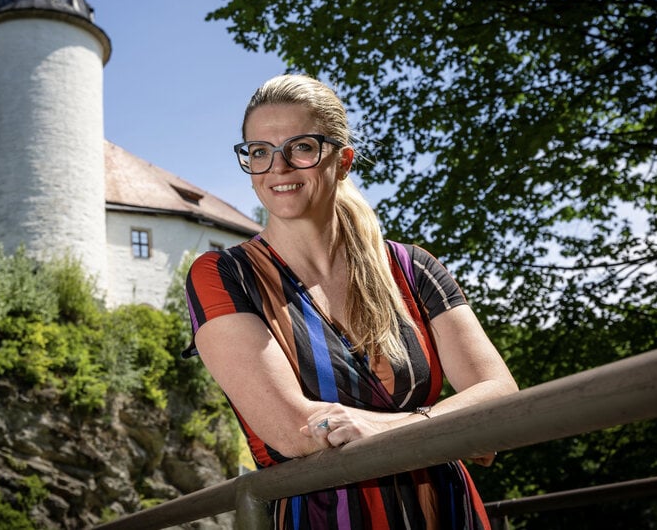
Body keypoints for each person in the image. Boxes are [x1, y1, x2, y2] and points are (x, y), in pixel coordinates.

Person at [184, 74, 518, 529]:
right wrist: (450, 427)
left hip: (447, 512)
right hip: (325, 518)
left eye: (300, 147)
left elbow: (500, 394)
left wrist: (388, 427)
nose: (277, 168)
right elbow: (293, 431)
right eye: (259, 151)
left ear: (342, 161)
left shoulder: (413, 267)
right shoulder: (224, 275)